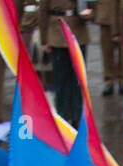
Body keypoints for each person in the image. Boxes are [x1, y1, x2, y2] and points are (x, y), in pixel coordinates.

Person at [38, 0, 92, 128]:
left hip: (78, 32)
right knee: (61, 79)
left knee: (78, 80)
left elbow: (93, 5)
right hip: (56, 32)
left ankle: (78, 116)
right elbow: (43, 10)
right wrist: (44, 39)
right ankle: (63, 116)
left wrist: (90, 13)